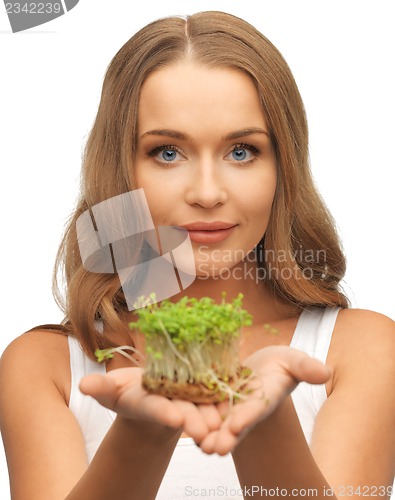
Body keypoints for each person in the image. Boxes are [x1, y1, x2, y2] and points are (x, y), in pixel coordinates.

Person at [0, 10, 394, 500]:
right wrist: (142, 432)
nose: (207, 193)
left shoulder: (359, 350)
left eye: (242, 151)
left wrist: (265, 422)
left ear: (283, 169)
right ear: (119, 170)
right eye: (167, 152)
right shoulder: (48, 366)